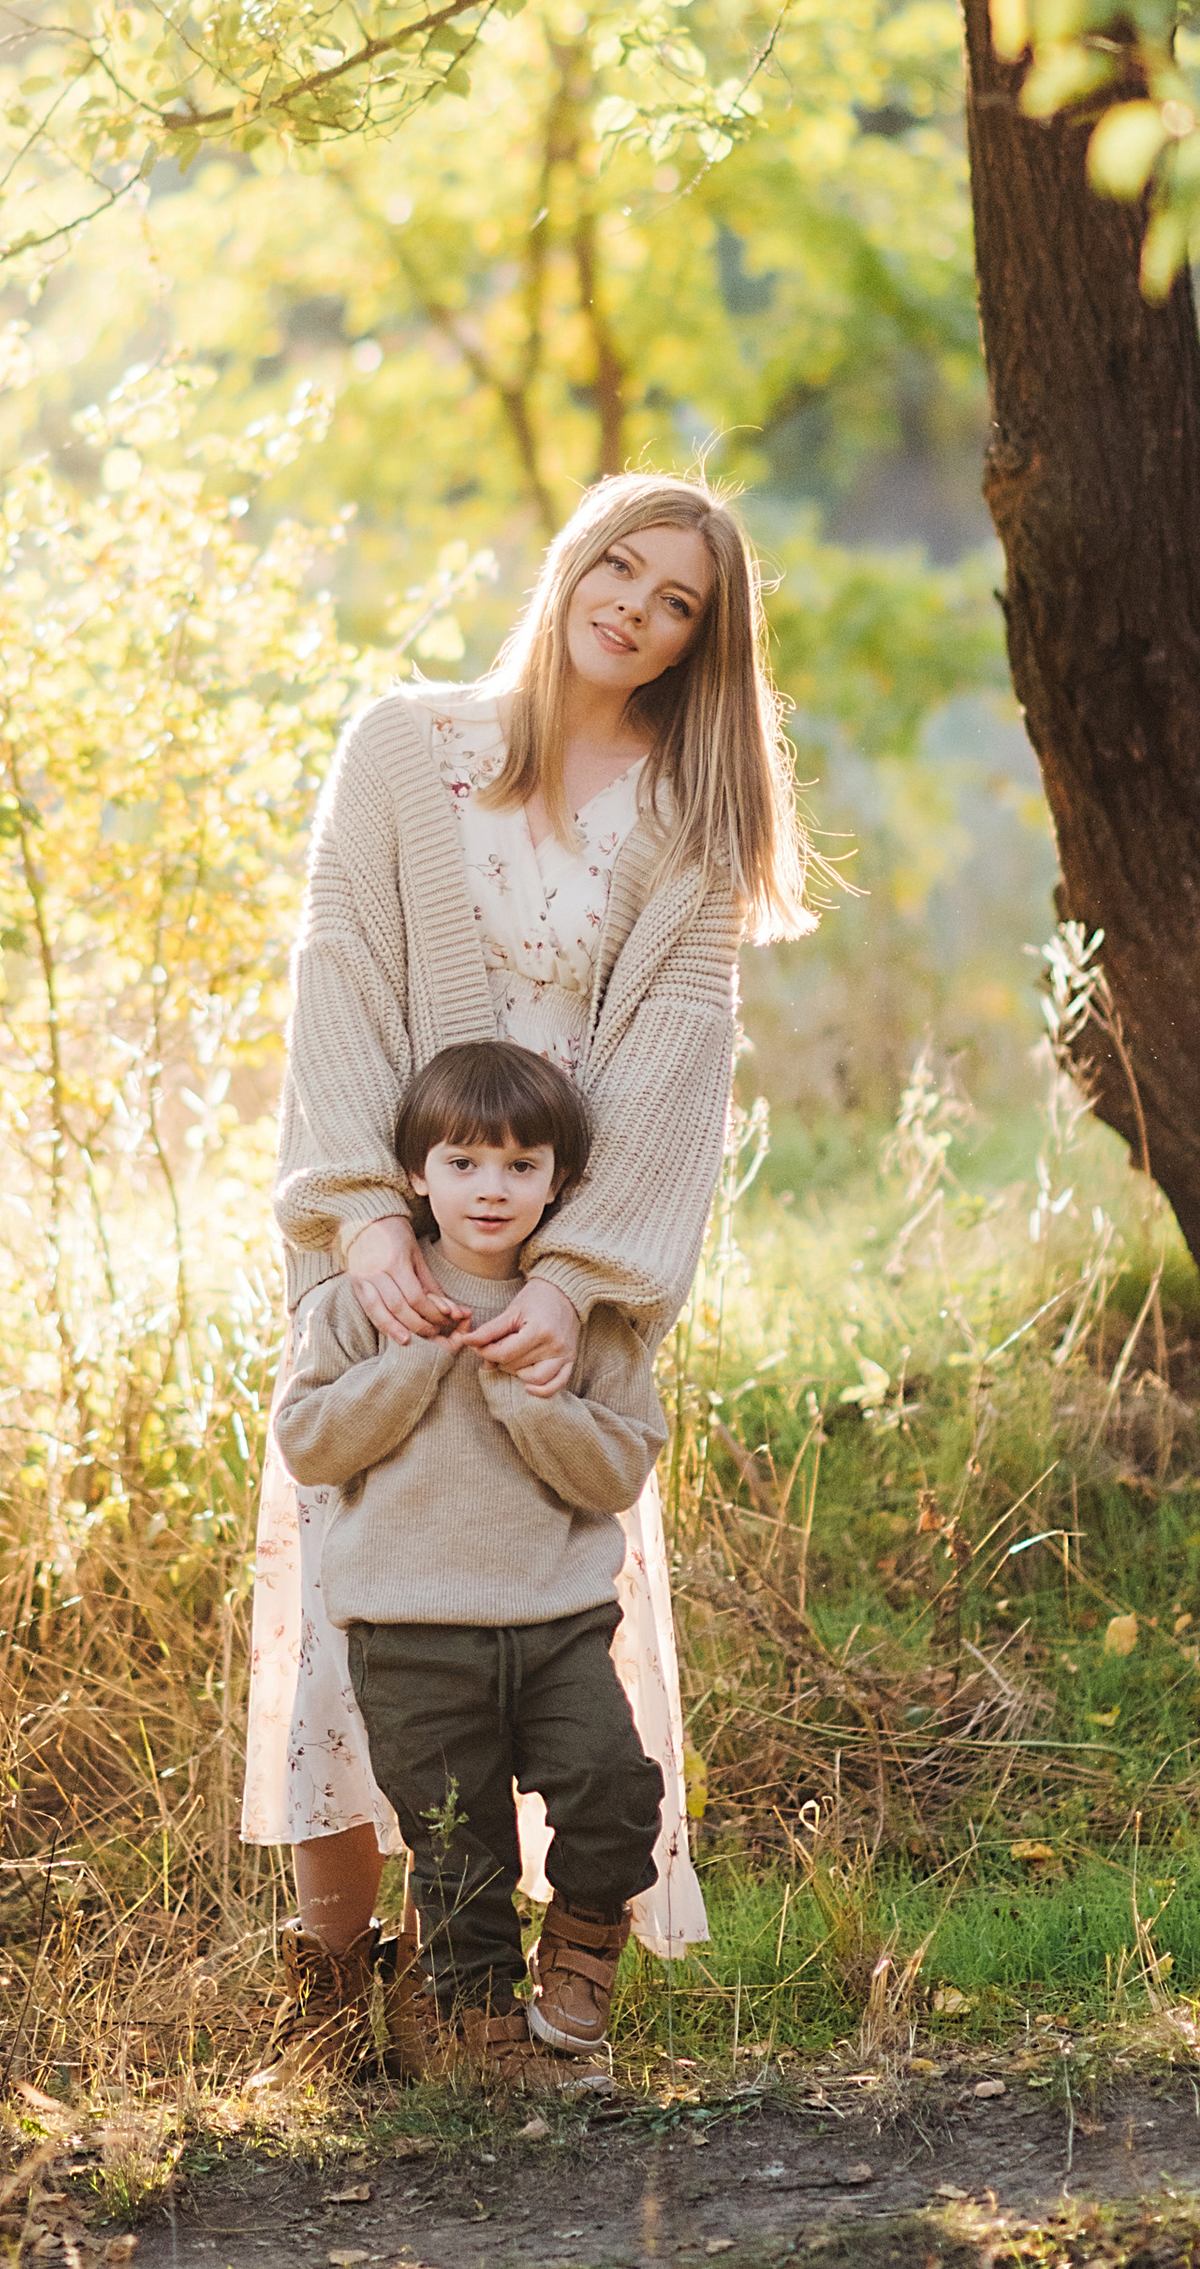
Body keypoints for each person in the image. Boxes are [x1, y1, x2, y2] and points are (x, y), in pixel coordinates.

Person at [241, 466, 818, 2077]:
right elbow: (340, 983)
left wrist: (567, 1283)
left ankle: (513, 1992)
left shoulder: (688, 811)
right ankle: (332, 2000)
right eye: (620, 565)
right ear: (572, 559)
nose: (635, 605)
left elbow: (672, 1060)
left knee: (546, 1625)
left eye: (677, 599)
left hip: (559, 1283)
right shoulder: (402, 747)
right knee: (351, 1616)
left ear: (701, 639)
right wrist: (366, 1225)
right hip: (384, 1256)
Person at [275, 1039, 666, 2075]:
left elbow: (618, 1471)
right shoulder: (363, 1304)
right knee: (457, 1844)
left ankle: (583, 1943)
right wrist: (411, 1366)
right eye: (462, 1162)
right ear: (415, 1172)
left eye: (520, 1164)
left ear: (560, 1181)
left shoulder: (587, 1318)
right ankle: (482, 2041)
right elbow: (309, 1444)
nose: (491, 1188)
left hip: (556, 1620)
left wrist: (529, 1400)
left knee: (613, 1787)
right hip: (409, 1631)